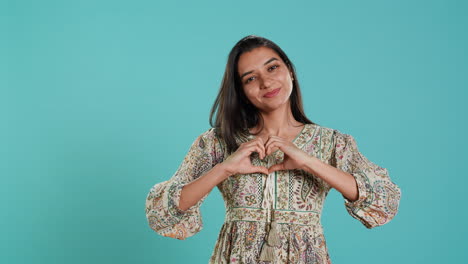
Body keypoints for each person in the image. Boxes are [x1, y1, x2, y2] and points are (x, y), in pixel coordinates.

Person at [145, 35, 401, 264]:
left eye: (273, 67)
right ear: (242, 91)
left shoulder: (333, 142)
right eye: (251, 78)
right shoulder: (218, 141)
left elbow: (383, 201)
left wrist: (308, 161)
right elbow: (163, 213)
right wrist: (225, 169)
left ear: (290, 71)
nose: (266, 82)